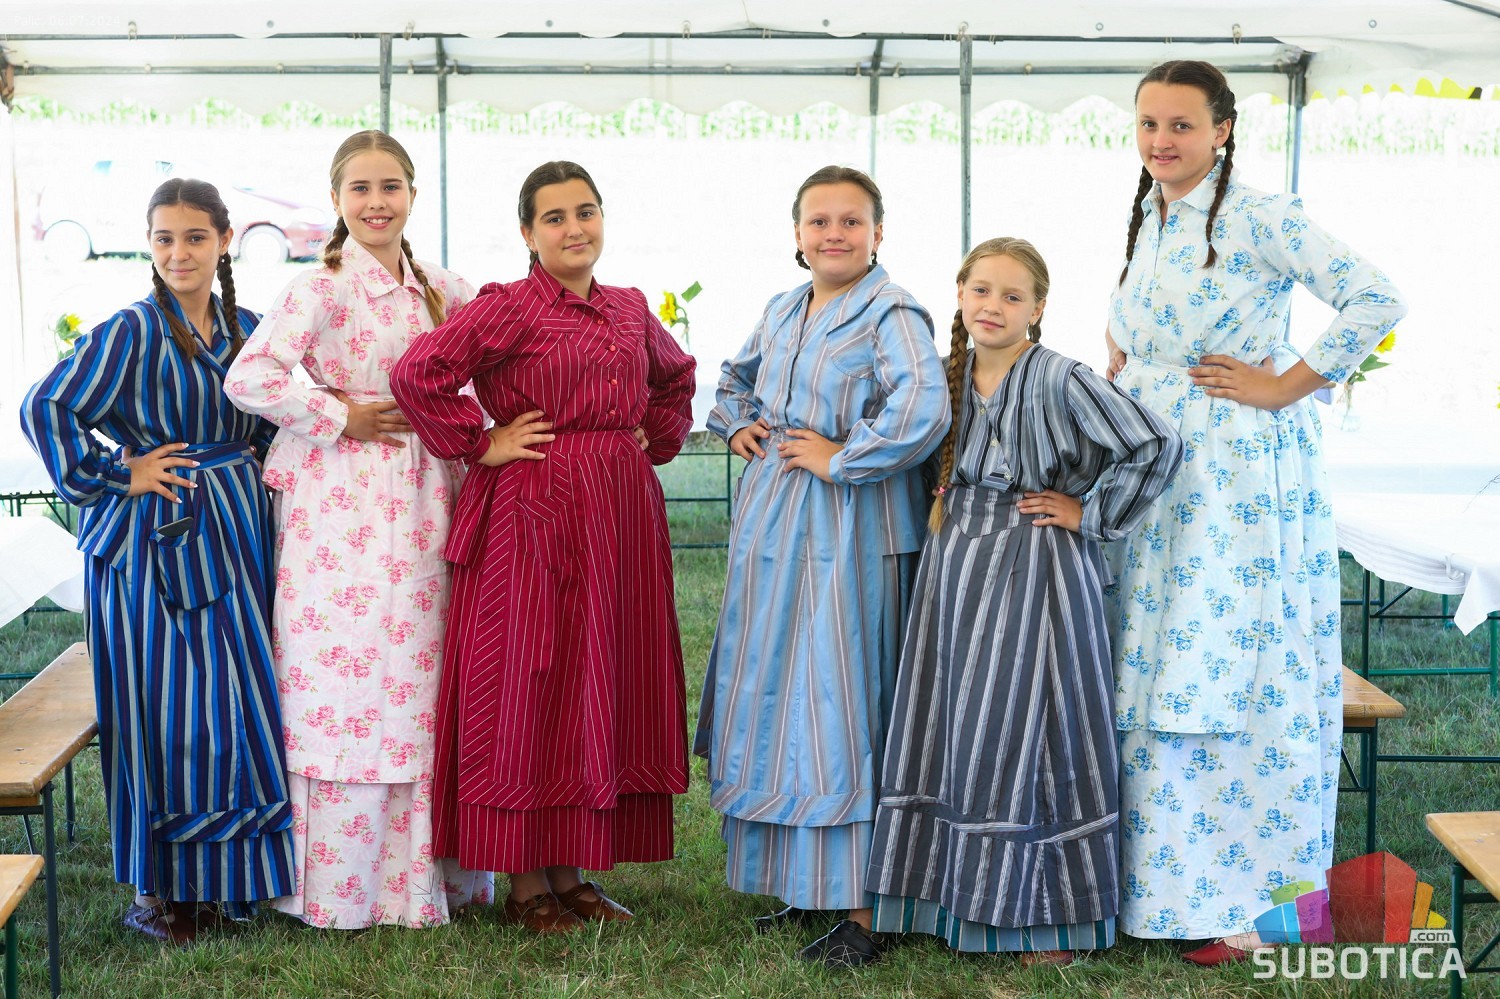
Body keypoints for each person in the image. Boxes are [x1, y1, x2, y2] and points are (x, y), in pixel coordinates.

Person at [1103, 60, 1407, 963]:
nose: (1162, 140)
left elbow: (1376, 297)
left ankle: (1256, 903)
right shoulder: (1153, 211)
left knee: (1226, 663)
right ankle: (1160, 885)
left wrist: (1284, 386)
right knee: (1151, 660)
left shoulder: (1261, 213)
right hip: (1154, 463)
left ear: (1223, 129)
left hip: (1230, 477)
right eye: (1149, 123)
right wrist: (1125, 354)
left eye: (1181, 125)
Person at [389, 160, 697, 934]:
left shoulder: (629, 308)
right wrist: (478, 441)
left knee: (598, 675)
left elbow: (677, 376)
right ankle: (527, 883)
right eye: (554, 217)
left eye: (585, 212)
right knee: (531, 679)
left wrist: (650, 436)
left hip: (618, 518)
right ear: (528, 232)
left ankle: (573, 873)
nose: (574, 228)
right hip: (533, 513)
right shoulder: (508, 307)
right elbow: (418, 373)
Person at [866, 237, 1182, 965]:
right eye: (981, 290)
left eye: (1013, 296)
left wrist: (1088, 512)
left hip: (1037, 562)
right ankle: (948, 899)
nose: (993, 306)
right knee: (954, 720)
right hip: (956, 561)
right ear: (959, 294)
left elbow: (1155, 443)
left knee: (1031, 724)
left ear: (1038, 308)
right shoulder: (943, 375)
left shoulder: (1062, 378)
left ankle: (1046, 917)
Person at [224, 130, 492, 928]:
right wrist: (339, 413)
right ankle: (339, 886)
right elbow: (250, 375)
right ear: (337, 199)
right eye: (361, 189)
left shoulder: (444, 286)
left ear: (412, 194)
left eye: (390, 187)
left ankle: (425, 880)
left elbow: (501, 362)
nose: (377, 203)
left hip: (426, 491)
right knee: (340, 674)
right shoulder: (320, 286)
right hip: (340, 502)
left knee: (420, 669)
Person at [21, 178, 295, 945]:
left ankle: (228, 881)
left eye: (195, 237)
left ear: (224, 241)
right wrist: (120, 472)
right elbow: (45, 405)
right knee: (164, 709)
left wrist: (258, 464)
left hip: (233, 531)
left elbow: (277, 419)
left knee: (234, 706)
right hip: (152, 543)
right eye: (164, 238)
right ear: (149, 244)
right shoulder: (130, 332)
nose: (179, 253)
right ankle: (161, 888)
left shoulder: (248, 328)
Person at [694, 165, 949, 968]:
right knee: (781, 698)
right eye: (819, 221)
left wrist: (844, 457)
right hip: (777, 522)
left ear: (878, 231)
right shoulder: (783, 307)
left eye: (851, 220)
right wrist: (738, 421)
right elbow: (733, 379)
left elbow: (923, 406)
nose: (834, 233)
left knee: (842, 700)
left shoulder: (892, 311)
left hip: (851, 526)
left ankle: (869, 906)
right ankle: (807, 885)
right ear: (798, 234)